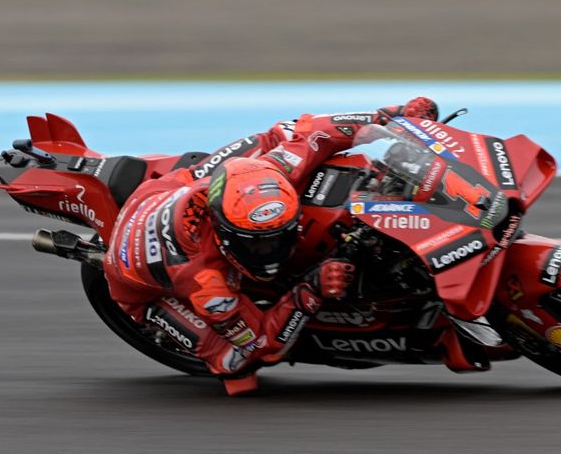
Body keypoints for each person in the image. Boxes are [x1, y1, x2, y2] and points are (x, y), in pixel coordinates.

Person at [103, 97, 439, 395]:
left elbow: (318, 130)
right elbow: (265, 344)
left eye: (281, 235)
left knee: (282, 133)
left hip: (172, 188)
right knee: (238, 362)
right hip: (137, 282)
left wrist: (395, 117)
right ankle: (211, 353)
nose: (276, 250)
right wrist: (311, 289)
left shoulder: (277, 170)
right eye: (262, 245)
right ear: (225, 235)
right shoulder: (207, 284)